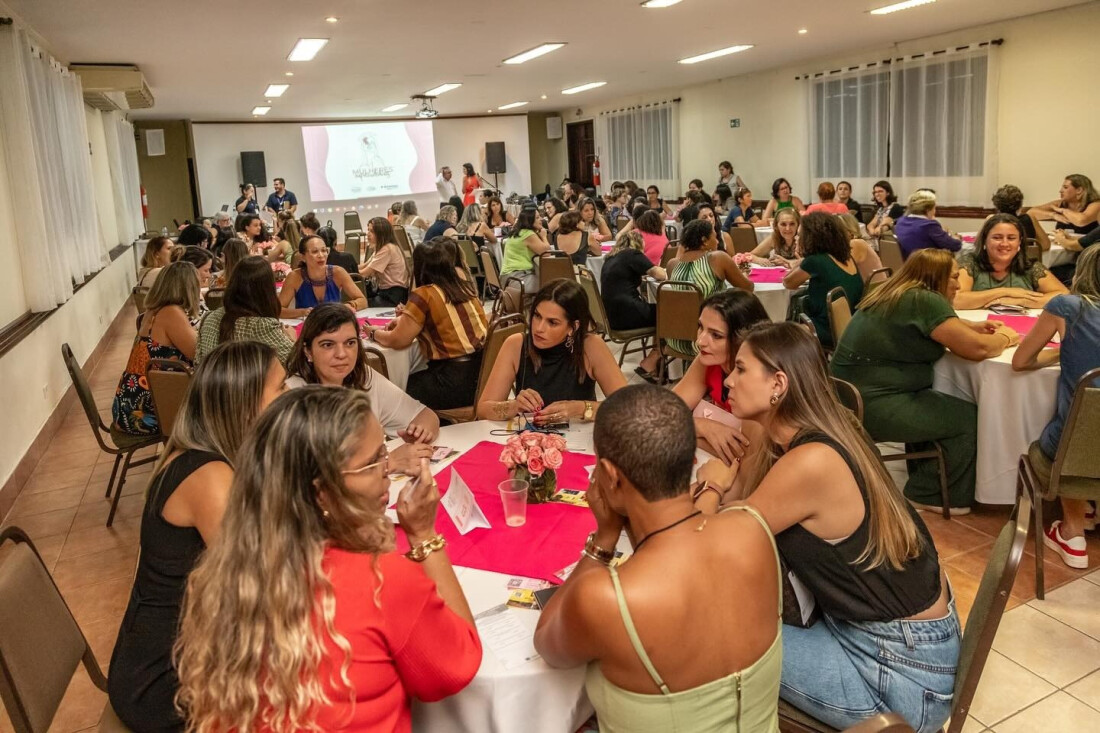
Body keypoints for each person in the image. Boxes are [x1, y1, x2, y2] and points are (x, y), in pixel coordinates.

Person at [175, 387, 481, 733]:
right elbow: (457, 666)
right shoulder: (382, 580)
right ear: (321, 491)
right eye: (373, 462)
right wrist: (425, 536)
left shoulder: (231, 572)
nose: (387, 470)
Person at [704, 321, 959, 733]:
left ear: (778, 384)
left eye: (740, 369)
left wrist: (712, 484)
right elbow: (747, 509)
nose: (728, 380)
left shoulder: (810, 462)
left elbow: (711, 543)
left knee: (704, 629)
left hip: (900, 676)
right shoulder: (821, 430)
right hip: (903, 639)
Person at [533, 385, 781, 733]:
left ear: (610, 475)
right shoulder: (753, 529)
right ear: (690, 458)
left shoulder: (606, 598)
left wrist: (603, 539)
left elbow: (546, 644)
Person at [108, 341, 286, 731]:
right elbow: (263, 581)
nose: (288, 400)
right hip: (165, 679)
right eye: (281, 389)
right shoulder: (208, 477)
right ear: (245, 403)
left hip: (186, 644)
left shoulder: (210, 454)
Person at [832, 248, 1020, 512]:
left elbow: (928, 323)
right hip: (873, 405)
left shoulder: (901, 292)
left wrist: (965, 326)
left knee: (942, 400)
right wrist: (1007, 338)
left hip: (853, 397)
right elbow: (978, 349)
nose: (957, 284)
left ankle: (928, 475)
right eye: (953, 277)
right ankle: (929, 494)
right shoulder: (924, 300)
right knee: (967, 417)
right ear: (935, 277)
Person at [1012, 246, 1100, 569]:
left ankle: (1073, 531)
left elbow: (1021, 362)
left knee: (1070, 434)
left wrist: (1061, 353)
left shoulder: (1067, 307)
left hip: (1072, 449)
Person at [286, 304, 438, 455]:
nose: (341, 354)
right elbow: (304, 471)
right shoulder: (292, 395)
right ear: (308, 352)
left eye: (350, 343)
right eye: (328, 345)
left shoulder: (363, 378)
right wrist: (388, 463)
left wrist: (420, 433)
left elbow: (426, 415)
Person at [477, 279, 626, 423]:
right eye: (537, 316)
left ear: (573, 327)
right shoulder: (516, 344)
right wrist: (513, 406)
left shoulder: (590, 347)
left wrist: (580, 409)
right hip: (531, 440)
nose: (539, 328)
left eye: (552, 322)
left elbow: (629, 406)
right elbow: (483, 410)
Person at [367, 238, 489, 410]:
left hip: (452, 381)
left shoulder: (424, 294)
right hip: (481, 375)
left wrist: (373, 332)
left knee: (397, 391)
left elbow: (397, 340)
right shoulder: (462, 286)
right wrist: (404, 319)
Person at [673, 290, 770, 465]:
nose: (700, 341)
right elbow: (664, 411)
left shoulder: (760, 377)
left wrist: (687, 433)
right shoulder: (708, 360)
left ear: (743, 338)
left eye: (716, 335)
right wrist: (701, 426)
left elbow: (747, 455)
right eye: (700, 327)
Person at [112, 262, 200, 436]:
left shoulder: (152, 311)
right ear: (187, 287)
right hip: (147, 412)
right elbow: (199, 353)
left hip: (127, 404)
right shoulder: (171, 313)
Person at [666, 219, 754, 356]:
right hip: (706, 338)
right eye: (714, 235)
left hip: (675, 338)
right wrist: (744, 274)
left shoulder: (672, 264)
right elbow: (748, 288)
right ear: (704, 240)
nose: (718, 241)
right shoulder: (717, 258)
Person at [783, 212, 863, 348]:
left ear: (810, 237)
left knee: (782, 332)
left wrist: (800, 258)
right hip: (853, 327)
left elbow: (788, 282)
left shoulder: (815, 261)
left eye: (799, 234)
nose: (796, 238)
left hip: (827, 328)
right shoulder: (846, 257)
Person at [954, 214, 1069, 309]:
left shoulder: (1029, 266)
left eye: (1011, 238)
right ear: (984, 240)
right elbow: (956, 300)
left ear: (1019, 242)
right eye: (997, 237)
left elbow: (1064, 295)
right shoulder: (970, 263)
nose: (1004, 244)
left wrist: (1022, 301)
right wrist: (1005, 292)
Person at [197, 256, 296, 366]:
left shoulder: (208, 319)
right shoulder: (261, 326)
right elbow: (296, 362)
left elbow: (198, 361)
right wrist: (292, 339)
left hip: (207, 381)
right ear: (268, 290)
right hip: (249, 382)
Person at [600, 232, 667, 379]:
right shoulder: (632, 254)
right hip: (627, 313)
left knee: (659, 311)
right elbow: (660, 274)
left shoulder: (610, 257)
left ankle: (655, 357)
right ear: (638, 243)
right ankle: (654, 358)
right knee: (668, 314)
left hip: (612, 316)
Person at [279, 235, 367, 317]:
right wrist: (302, 312)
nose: (321, 256)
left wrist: (348, 306)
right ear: (303, 257)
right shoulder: (294, 277)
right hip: (308, 327)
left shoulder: (338, 272)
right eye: (314, 251)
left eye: (324, 250)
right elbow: (278, 310)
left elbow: (362, 300)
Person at [893, 190, 962, 260]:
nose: (935, 211)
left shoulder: (901, 221)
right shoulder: (929, 225)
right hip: (928, 265)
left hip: (908, 265)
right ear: (928, 210)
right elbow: (954, 246)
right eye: (934, 208)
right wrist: (956, 238)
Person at [1027, 174, 1100, 236]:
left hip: (1087, 248)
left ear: (1079, 190)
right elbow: (1030, 213)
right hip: (1063, 245)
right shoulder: (1060, 203)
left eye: (1065, 187)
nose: (1060, 191)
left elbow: (1081, 221)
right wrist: (1053, 215)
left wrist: (1062, 210)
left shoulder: (1096, 204)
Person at [360, 217, 409, 306]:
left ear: (381, 233)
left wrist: (344, 275)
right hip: (389, 293)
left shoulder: (386, 249)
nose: (368, 234)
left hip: (393, 296)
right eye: (368, 230)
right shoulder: (383, 247)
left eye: (372, 231)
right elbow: (364, 266)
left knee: (361, 305)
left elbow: (364, 273)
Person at [500, 206, 551, 292]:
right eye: (537, 217)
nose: (541, 219)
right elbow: (546, 253)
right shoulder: (528, 234)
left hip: (508, 277)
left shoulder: (518, 232)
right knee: (550, 285)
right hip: (518, 278)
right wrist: (544, 236)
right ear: (530, 220)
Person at [991, 184, 1050, 250]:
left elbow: (979, 244)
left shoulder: (992, 220)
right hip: (1025, 259)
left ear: (996, 205)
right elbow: (1045, 245)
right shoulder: (1029, 218)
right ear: (1020, 205)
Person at [836, 214, 885, 281]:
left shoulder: (856, 243)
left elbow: (841, 269)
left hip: (872, 289)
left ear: (850, 231)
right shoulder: (857, 242)